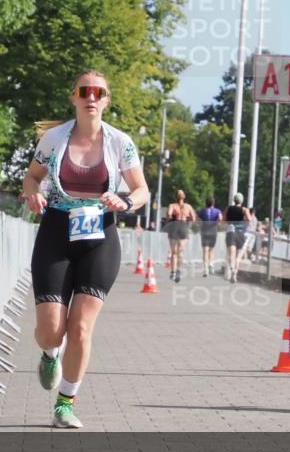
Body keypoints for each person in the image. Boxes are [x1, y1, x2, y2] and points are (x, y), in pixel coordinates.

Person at [22, 71, 149, 429]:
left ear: (107, 100)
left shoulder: (120, 142)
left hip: (100, 233)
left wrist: (124, 201)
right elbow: (32, 175)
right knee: (51, 331)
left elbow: (142, 190)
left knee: (80, 329)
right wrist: (33, 191)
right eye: (84, 91)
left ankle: (65, 403)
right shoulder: (53, 138)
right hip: (56, 231)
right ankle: (49, 354)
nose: (91, 97)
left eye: (99, 92)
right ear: (74, 98)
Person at [166, 189, 196, 283]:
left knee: (174, 252)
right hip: (183, 227)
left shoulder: (172, 205)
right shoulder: (188, 206)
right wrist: (189, 225)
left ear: (175, 197)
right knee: (181, 251)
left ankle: (173, 272)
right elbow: (193, 218)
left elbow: (168, 215)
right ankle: (178, 269)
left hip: (174, 227)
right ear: (184, 197)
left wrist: (171, 217)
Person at [224, 193, 251, 282]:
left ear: (234, 200)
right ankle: (234, 274)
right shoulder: (244, 210)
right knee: (238, 256)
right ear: (242, 201)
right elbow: (249, 220)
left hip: (230, 232)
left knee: (231, 253)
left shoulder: (228, 208)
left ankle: (232, 268)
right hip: (240, 233)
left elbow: (224, 219)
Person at [198, 197, 222, 277]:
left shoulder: (202, 211)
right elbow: (220, 218)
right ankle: (211, 264)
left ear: (206, 203)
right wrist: (217, 223)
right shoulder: (217, 211)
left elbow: (198, 220)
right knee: (211, 250)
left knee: (205, 250)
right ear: (213, 203)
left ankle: (205, 269)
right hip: (213, 231)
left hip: (204, 231)